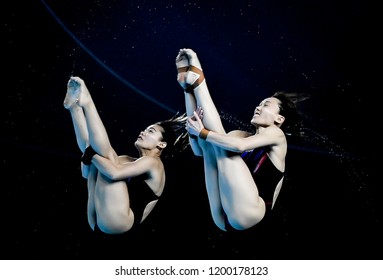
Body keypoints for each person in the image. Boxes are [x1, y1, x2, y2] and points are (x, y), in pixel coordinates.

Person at [175, 48, 305, 235]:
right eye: (259, 104)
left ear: (279, 119)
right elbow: (199, 151)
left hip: (251, 213)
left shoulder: (277, 135)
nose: (258, 108)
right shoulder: (238, 134)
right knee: (212, 145)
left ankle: (198, 82)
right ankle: (188, 88)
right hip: (223, 217)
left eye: (266, 105)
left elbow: (239, 147)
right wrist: (196, 133)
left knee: (216, 139)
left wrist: (202, 132)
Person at [63, 76, 188, 235]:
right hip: (97, 218)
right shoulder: (125, 160)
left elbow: (114, 173)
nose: (143, 132)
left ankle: (87, 103)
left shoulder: (154, 163)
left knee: (105, 157)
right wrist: (91, 156)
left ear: (161, 144)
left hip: (121, 223)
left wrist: (91, 156)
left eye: (151, 131)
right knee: (100, 157)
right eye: (145, 129)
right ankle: (74, 108)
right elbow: (87, 173)